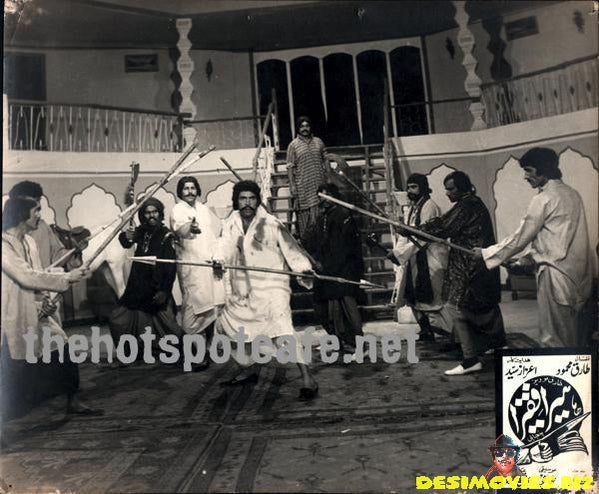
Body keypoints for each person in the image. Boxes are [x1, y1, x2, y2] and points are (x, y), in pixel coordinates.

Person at [476, 147, 596, 347]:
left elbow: (521, 237)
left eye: (528, 170)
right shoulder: (572, 194)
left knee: (553, 336)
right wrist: (522, 261)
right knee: (574, 335)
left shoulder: (543, 199)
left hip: (555, 275)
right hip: (577, 275)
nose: (525, 176)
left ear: (544, 169)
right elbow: (555, 239)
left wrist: (485, 253)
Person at [213, 180, 318, 400]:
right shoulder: (230, 223)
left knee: (282, 330)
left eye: (251, 198)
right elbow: (223, 246)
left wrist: (303, 269)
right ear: (236, 201)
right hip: (243, 289)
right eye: (243, 198)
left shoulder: (271, 223)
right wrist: (218, 260)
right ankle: (249, 368)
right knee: (232, 328)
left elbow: (291, 249)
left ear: (258, 200)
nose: (247, 203)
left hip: (272, 287)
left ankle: (308, 378)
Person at [1, 197, 99, 418]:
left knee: (61, 344)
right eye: (36, 211)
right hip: (11, 313)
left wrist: (47, 298)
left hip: (35, 309)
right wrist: (67, 277)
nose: (40, 215)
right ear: (21, 214)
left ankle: (73, 400)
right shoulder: (4, 246)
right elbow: (25, 276)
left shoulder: (29, 242)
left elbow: (40, 273)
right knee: (15, 365)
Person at [415, 171, 506, 375]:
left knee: (457, 306)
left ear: (463, 188)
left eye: (451, 189)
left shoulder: (467, 206)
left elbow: (443, 226)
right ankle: (494, 346)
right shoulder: (471, 203)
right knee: (484, 308)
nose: (447, 193)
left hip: (470, 267)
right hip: (477, 265)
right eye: (446, 189)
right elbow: (445, 224)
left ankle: (470, 358)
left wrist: (414, 230)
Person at [109, 198, 185, 358]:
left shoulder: (166, 235)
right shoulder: (142, 231)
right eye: (147, 213)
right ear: (143, 215)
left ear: (160, 213)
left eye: (155, 212)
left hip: (156, 288)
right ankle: (129, 354)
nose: (151, 215)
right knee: (118, 319)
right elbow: (126, 242)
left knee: (170, 328)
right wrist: (126, 236)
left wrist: (164, 291)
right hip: (137, 287)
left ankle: (194, 354)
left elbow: (170, 268)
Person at [304, 183, 364, 357]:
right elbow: (315, 241)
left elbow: (343, 246)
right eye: (321, 196)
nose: (324, 199)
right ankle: (339, 341)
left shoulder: (343, 215)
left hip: (343, 268)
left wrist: (326, 265)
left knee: (347, 307)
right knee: (326, 308)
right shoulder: (322, 217)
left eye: (328, 195)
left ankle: (358, 344)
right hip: (327, 269)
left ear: (335, 196)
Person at [389, 173, 451, 341]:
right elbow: (407, 235)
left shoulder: (429, 206)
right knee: (413, 297)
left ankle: (448, 334)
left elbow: (423, 236)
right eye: (409, 187)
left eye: (414, 187)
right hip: (415, 256)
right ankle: (426, 331)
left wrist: (400, 254)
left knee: (434, 299)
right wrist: (397, 252)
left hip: (431, 257)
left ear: (423, 187)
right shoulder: (413, 207)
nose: (410, 191)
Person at [170, 176, 224, 360]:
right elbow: (181, 229)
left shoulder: (203, 209)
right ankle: (195, 353)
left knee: (211, 308)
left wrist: (217, 257)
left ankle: (207, 348)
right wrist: (190, 228)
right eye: (186, 188)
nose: (190, 191)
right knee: (192, 310)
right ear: (180, 192)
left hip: (209, 265)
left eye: (193, 188)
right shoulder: (178, 209)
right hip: (191, 267)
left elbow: (212, 236)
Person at [286, 116, 329, 238]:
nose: (305, 129)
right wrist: (292, 186)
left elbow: (326, 159)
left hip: (319, 185)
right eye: (302, 126)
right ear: (298, 128)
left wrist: (329, 176)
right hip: (303, 187)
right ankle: (306, 244)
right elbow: (290, 167)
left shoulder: (318, 142)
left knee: (321, 216)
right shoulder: (293, 145)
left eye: (307, 126)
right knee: (305, 220)